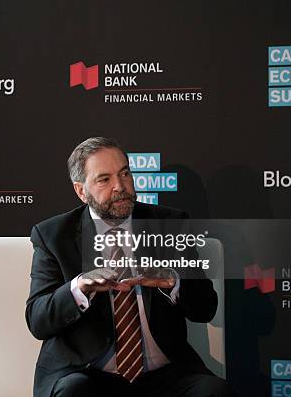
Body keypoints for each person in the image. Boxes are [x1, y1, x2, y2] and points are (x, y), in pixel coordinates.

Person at [25, 137, 234, 397]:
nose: (120, 187)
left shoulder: (168, 224)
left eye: (125, 174)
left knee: (215, 392)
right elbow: (37, 320)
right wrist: (79, 288)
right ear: (81, 191)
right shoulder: (54, 236)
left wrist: (173, 281)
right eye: (104, 179)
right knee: (73, 392)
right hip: (88, 375)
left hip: (163, 376)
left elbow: (206, 307)